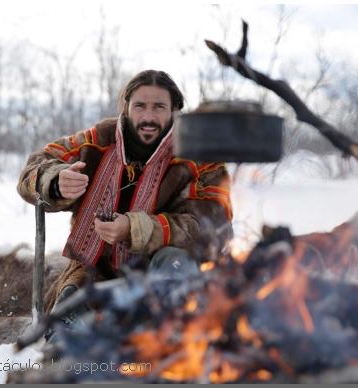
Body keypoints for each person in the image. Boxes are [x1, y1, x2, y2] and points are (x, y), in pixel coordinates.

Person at [17, 70, 233, 314]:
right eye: (140, 106)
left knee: (173, 265)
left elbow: (213, 227)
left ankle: (168, 334)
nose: (148, 117)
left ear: (174, 109)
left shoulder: (201, 156)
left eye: (159, 107)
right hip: (95, 268)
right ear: (126, 106)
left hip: (165, 272)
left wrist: (135, 229)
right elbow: (34, 167)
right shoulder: (98, 140)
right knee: (66, 328)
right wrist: (56, 181)